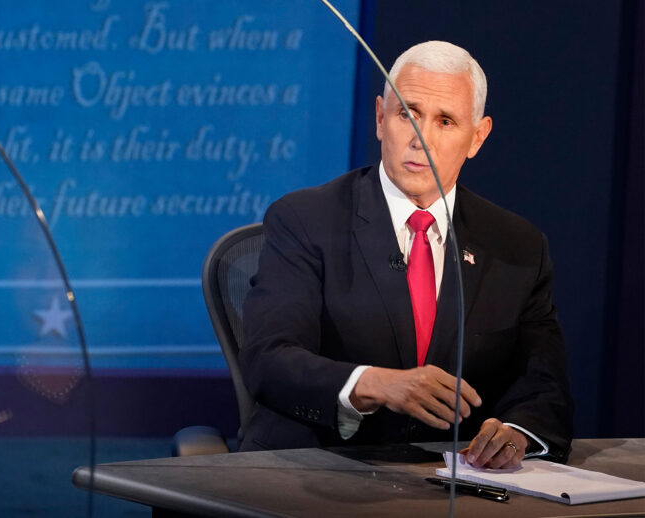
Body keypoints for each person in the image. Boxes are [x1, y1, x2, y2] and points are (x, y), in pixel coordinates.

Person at [238, 41, 574, 468]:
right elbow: (269, 359)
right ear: (380, 118)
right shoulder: (305, 220)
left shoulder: (518, 247)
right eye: (407, 114)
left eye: (446, 121)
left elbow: (545, 389)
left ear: (477, 137)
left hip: (451, 484)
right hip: (313, 468)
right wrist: (373, 384)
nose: (421, 139)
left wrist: (516, 432)